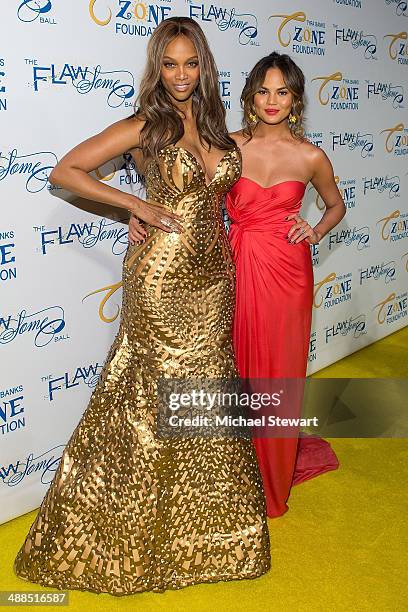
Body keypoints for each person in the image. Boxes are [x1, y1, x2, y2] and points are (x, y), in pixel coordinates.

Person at [13, 17, 270, 596]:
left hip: (213, 278)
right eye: (170, 63)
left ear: (204, 67)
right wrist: (138, 204)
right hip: (161, 281)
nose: (180, 75)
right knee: (146, 404)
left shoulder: (216, 125)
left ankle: (200, 536)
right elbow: (66, 170)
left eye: (191, 63)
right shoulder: (143, 126)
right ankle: (128, 533)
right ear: (158, 67)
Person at [130, 51, 345, 518]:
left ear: (295, 99)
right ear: (250, 96)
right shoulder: (224, 144)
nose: (272, 101)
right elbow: (183, 190)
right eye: (263, 91)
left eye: (282, 92)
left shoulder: (311, 156)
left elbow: (335, 206)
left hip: (288, 275)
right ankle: (229, 474)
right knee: (231, 368)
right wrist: (137, 210)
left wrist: (315, 230)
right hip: (233, 265)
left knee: (278, 375)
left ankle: (270, 478)